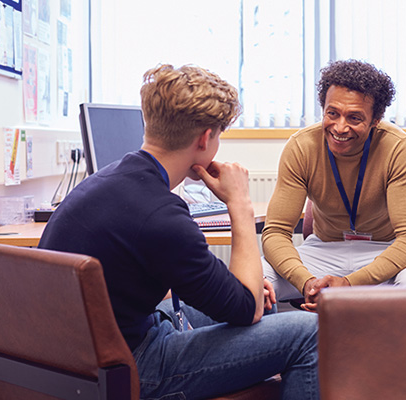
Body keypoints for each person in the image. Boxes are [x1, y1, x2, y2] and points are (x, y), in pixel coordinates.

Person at [39, 64, 319, 400]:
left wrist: (241, 292)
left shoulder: (106, 180)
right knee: (310, 332)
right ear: (205, 138)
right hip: (131, 366)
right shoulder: (161, 215)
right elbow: (246, 309)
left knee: (266, 302)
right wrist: (240, 205)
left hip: (74, 357)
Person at [262, 59, 406, 312]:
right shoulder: (301, 146)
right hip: (323, 251)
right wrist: (307, 283)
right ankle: (281, 348)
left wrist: (350, 283)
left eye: (354, 117)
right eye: (332, 113)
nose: (340, 127)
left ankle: (396, 353)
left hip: (383, 251)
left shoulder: (396, 146)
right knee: (255, 278)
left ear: (375, 119)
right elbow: (275, 232)